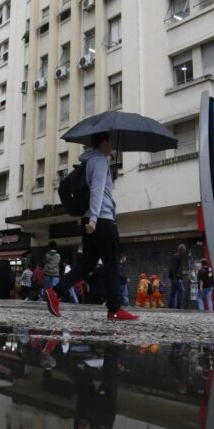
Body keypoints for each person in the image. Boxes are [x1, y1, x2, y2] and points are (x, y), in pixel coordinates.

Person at [45, 132, 138, 320]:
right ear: (104, 142)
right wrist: (95, 218)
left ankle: (56, 292)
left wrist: (91, 218)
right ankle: (114, 309)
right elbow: (96, 190)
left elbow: (98, 190)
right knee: (112, 265)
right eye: (110, 142)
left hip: (90, 220)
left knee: (87, 264)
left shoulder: (89, 162)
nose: (112, 146)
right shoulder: (100, 162)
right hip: (101, 220)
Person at [168, 244, 187, 309]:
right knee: (181, 291)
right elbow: (172, 268)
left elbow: (177, 268)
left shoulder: (180, 256)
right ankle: (178, 306)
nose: (185, 251)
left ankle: (171, 306)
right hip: (175, 277)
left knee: (174, 291)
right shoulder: (176, 256)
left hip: (177, 277)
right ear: (182, 250)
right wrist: (174, 278)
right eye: (184, 249)